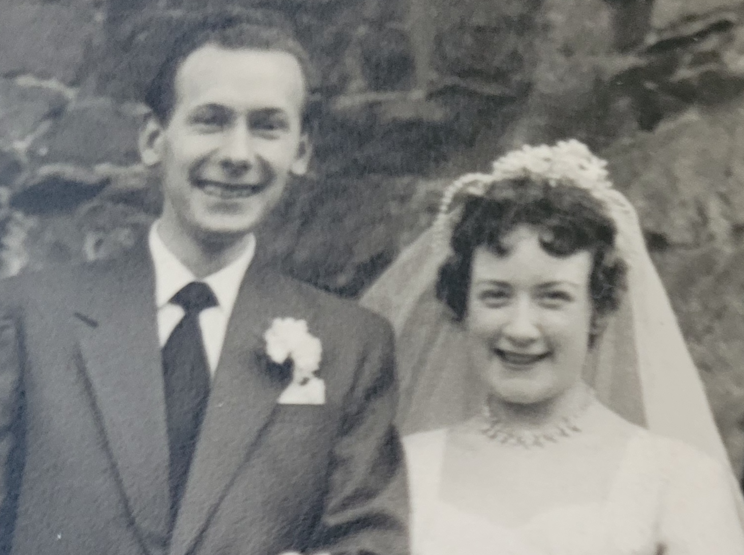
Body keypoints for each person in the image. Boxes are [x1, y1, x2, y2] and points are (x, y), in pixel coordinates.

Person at [0, 12, 408, 555]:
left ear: (301, 152)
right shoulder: (30, 316)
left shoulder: (351, 346)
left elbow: (367, 544)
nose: (238, 155)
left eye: (267, 126)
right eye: (210, 120)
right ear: (153, 139)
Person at [362, 140, 744, 553]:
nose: (521, 329)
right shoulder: (404, 471)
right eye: (496, 295)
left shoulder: (678, 479)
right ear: (462, 306)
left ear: (597, 310)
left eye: (553, 297)